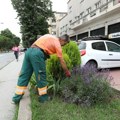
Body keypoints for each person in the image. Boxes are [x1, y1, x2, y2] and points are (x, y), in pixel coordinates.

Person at [12, 34, 71, 103]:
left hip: (29, 51)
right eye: (65, 44)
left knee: (24, 74)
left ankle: (16, 98)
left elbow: (39, 42)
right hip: (37, 53)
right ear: (62, 40)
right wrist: (67, 72)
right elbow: (62, 61)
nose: (63, 45)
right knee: (41, 75)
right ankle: (43, 98)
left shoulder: (49, 36)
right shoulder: (57, 43)